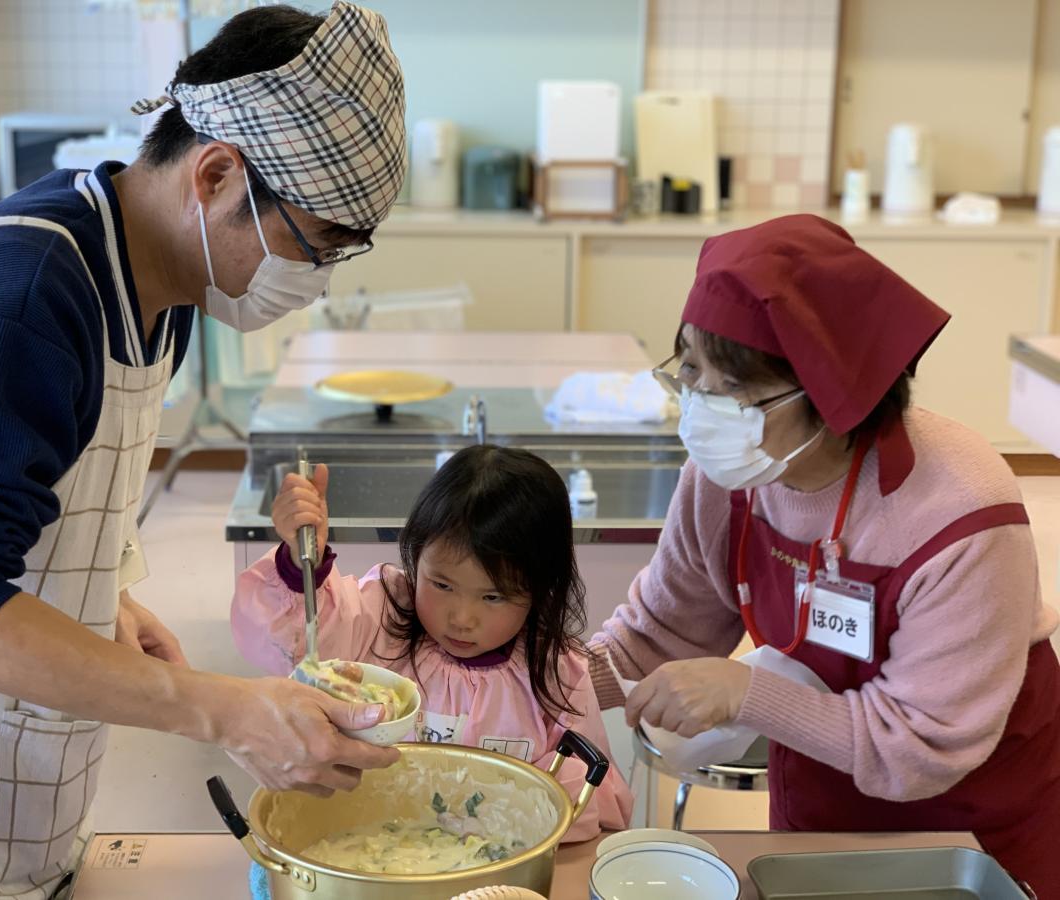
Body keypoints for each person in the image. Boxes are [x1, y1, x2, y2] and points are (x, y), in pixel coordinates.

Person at [0, 4, 406, 897]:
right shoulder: (19, 306)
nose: (314, 282)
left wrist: (95, 591)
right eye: (313, 245)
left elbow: (33, 485)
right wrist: (221, 709)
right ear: (218, 173)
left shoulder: (160, 281)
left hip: (15, 771)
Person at [588, 214, 1060, 894]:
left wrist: (748, 692)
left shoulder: (961, 514)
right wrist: (534, 678)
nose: (702, 405)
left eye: (735, 388)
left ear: (830, 389)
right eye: (689, 369)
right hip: (820, 792)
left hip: (968, 824)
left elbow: (917, 747)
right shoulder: (730, 476)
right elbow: (659, 630)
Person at [232, 445, 634, 843]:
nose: (460, 618)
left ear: (540, 591)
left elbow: (600, 797)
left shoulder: (557, 671)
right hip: (367, 845)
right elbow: (287, 640)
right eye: (441, 584)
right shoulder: (378, 615)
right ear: (416, 556)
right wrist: (300, 564)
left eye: (492, 597)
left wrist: (510, 797)